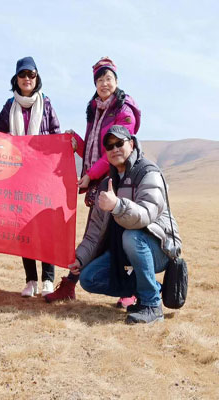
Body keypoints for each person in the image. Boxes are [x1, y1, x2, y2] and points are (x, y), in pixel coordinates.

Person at [46, 57, 142, 306]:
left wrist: (90, 175)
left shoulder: (123, 111)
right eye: (99, 79)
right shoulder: (96, 110)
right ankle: (76, 285)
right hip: (102, 181)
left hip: (120, 181)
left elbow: (114, 151)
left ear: (116, 81)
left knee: (118, 235)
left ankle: (129, 290)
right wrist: (74, 140)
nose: (104, 83)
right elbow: (94, 148)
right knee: (99, 235)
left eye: (108, 78)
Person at [68, 125, 182, 324]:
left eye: (119, 143)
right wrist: (80, 257)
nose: (114, 149)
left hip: (160, 249)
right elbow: (94, 231)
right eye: (109, 146)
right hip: (123, 252)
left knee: (132, 236)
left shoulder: (148, 173)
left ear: (131, 144)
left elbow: (146, 214)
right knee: (89, 277)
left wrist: (117, 205)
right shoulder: (106, 184)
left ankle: (152, 305)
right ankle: (149, 288)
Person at [0, 56, 60, 297]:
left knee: (45, 227)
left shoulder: (47, 105)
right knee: (24, 228)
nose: (27, 79)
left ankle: (48, 279)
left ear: (37, 78)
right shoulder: (8, 106)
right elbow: (0, 138)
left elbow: (55, 136)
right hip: (18, 177)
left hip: (43, 177)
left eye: (31, 75)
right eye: (22, 75)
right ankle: (31, 280)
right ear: (16, 78)